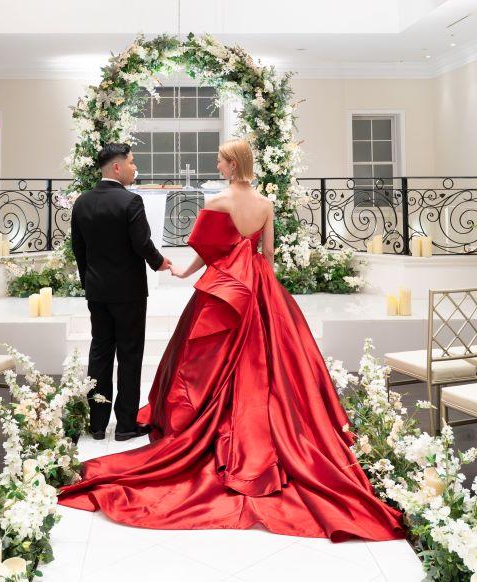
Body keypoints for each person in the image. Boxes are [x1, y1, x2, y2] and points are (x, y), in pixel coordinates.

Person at [61, 139, 404, 542]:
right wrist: (264, 288)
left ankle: (121, 421)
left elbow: (208, 252)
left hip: (223, 286)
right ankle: (260, 425)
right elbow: (268, 254)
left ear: (232, 165)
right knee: (271, 359)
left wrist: (185, 272)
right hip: (257, 284)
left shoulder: (218, 202)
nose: (217, 165)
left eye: (221, 161)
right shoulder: (265, 204)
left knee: (195, 357)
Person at [71, 142, 171, 441]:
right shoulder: (131, 201)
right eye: (131, 162)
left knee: (100, 353)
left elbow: (79, 249)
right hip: (129, 292)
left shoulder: (82, 202)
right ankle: (126, 425)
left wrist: (88, 282)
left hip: (97, 291)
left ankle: (97, 424)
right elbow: (141, 243)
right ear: (117, 167)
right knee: (129, 354)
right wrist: (160, 262)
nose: (134, 167)